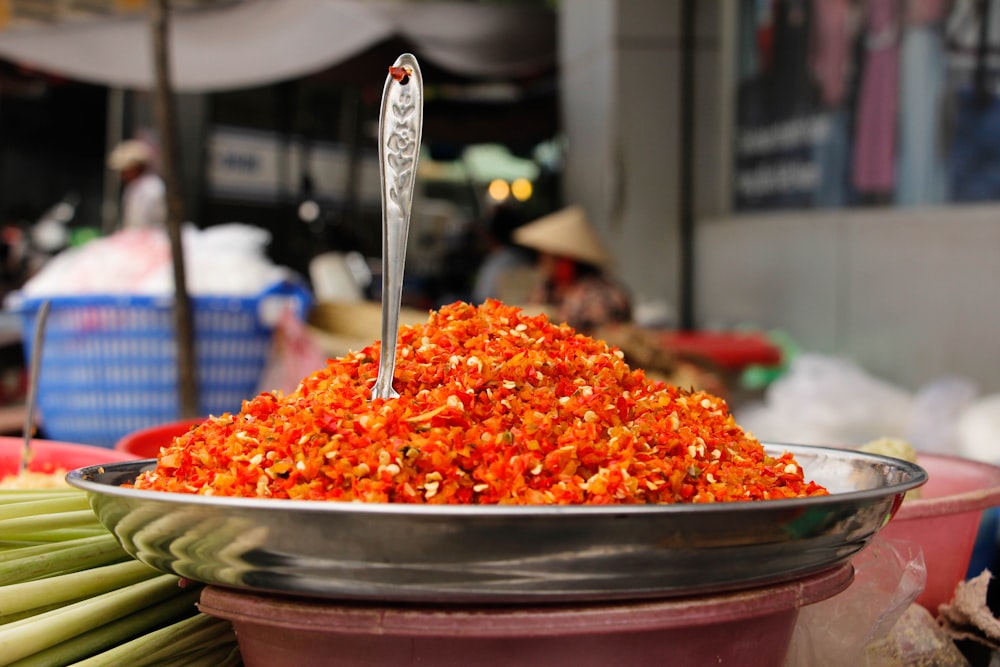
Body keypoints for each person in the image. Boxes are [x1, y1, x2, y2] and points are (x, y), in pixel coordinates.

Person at [513, 205, 631, 334]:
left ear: (566, 260)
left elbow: (610, 337)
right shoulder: (547, 289)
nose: (542, 262)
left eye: (547, 256)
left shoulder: (603, 296)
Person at [471, 203, 535, 305]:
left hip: (499, 314)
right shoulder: (524, 258)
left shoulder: (496, 263)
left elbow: (481, 297)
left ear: (490, 236)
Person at [106, 140, 167, 229]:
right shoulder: (133, 187)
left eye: (125, 170)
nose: (122, 174)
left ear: (136, 167)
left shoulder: (152, 187)